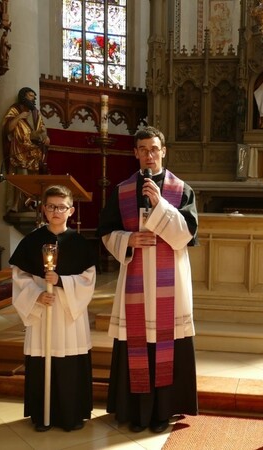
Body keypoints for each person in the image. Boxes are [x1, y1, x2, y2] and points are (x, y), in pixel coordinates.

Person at [97, 126, 199, 433]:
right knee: (137, 342)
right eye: (143, 149)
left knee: (167, 341)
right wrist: (128, 240)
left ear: (163, 151)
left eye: (154, 149)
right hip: (136, 281)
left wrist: (160, 205)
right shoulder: (123, 190)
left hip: (172, 285)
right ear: (135, 154)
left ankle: (163, 412)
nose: (149, 155)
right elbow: (106, 233)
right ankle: (135, 412)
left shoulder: (181, 190)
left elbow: (187, 237)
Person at [9, 185, 98, 432]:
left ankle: (73, 414)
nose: (56, 211)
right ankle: (42, 415)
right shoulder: (32, 241)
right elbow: (19, 275)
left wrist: (62, 282)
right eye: (51, 206)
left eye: (61, 207)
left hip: (70, 313)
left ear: (70, 210)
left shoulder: (79, 243)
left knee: (70, 360)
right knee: (42, 358)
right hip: (43, 313)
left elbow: (88, 279)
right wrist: (36, 295)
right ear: (44, 210)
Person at [2, 86, 51, 212]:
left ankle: (29, 204)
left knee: (32, 182)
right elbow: (7, 128)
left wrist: (45, 138)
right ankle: (17, 206)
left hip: (34, 153)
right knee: (20, 180)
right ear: (23, 96)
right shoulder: (14, 110)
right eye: (31, 96)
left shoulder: (36, 113)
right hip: (20, 153)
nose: (33, 99)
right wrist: (20, 117)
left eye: (34, 97)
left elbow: (43, 131)